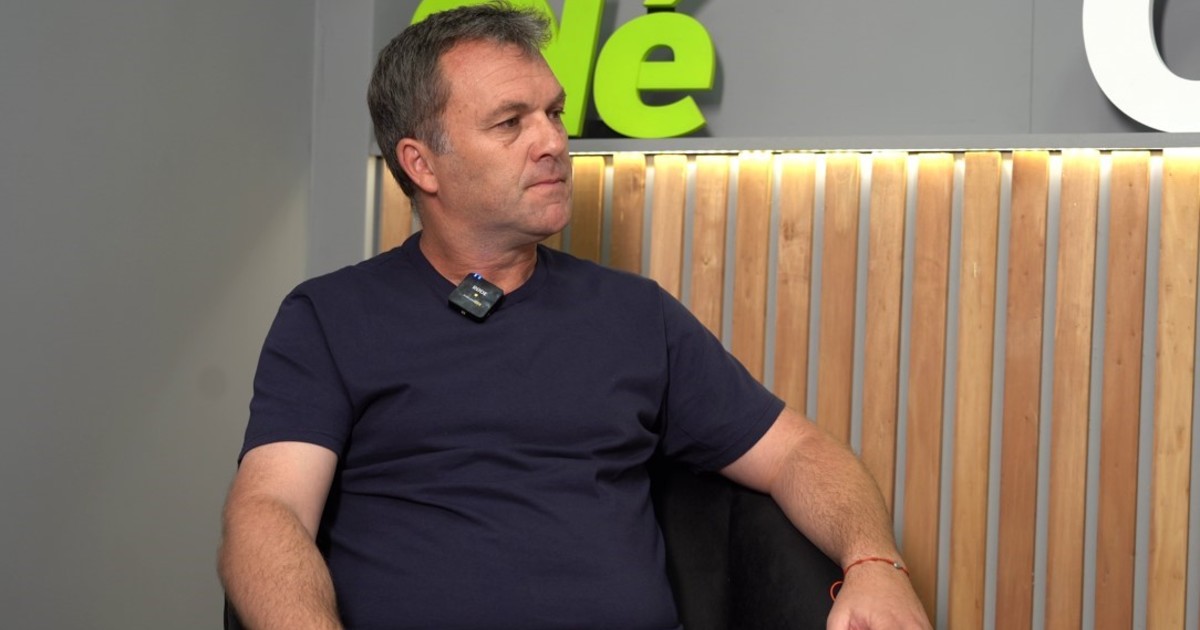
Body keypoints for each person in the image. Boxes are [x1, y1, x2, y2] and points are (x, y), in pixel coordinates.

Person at [217, 3, 932, 629]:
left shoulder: (635, 315)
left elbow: (799, 452)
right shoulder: (331, 317)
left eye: (554, 113)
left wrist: (875, 562)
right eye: (511, 123)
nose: (553, 142)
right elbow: (269, 511)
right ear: (422, 164)